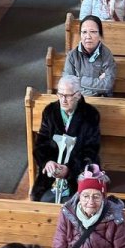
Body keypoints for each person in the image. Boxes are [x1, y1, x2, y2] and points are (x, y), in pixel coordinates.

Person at [51, 164, 125, 248]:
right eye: (86, 196)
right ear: (79, 196)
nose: (90, 202)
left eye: (96, 196)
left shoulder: (116, 217)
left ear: (103, 197)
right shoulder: (67, 214)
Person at [30, 76, 101, 204]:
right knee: (42, 202)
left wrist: (69, 170)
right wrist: (47, 162)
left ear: (78, 95)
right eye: (60, 94)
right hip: (52, 174)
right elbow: (41, 144)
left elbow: (91, 151)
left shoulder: (90, 114)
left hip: (79, 173)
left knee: (76, 205)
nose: (63, 100)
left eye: (67, 96)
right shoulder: (50, 111)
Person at [63, 16, 117, 98]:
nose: (88, 36)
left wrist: (78, 79)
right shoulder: (72, 56)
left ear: (100, 35)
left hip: (101, 100)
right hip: (77, 100)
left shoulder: (107, 55)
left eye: (93, 32)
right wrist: (98, 83)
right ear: (80, 35)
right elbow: (68, 84)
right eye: (84, 32)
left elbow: (107, 85)